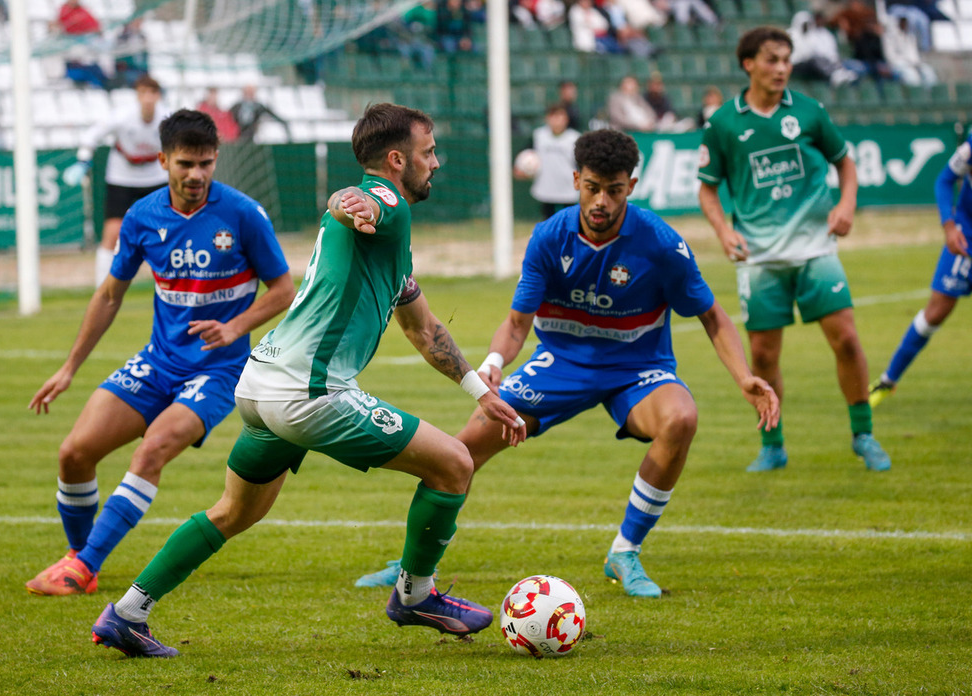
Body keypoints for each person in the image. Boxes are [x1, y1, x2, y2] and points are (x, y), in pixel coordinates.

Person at [89, 103, 527, 657]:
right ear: (397, 159)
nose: (435, 163)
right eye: (429, 151)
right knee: (456, 464)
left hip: (260, 387)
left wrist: (481, 393)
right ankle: (416, 595)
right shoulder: (386, 203)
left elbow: (423, 329)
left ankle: (126, 613)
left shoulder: (389, 242)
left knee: (233, 512)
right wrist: (351, 202)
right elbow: (358, 202)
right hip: (310, 393)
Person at [356, 128, 780, 598]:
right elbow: (517, 323)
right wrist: (494, 362)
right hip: (559, 365)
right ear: (576, 179)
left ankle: (625, 552)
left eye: (614, 190)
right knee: (461, 451)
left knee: (681, 418)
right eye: (592, 187)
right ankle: (410, 562)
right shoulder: (550, 237)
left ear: (631, 188)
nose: (601, 200)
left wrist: (744, 378)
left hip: (638, 369)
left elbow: (713, 316)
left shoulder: (660, 243)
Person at [25, 109, 295, 597]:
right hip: (158, 361)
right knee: (74, 454)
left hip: (216, 371)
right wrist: (69, 368)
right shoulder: (142, 217)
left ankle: (84, 565)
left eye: (206, 164)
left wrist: (233, 327)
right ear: (163, 160)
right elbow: (109, 294)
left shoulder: (243, 215)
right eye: (186, 164)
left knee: (152, 450)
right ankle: (80, 560)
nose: (197, 175)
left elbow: (283, 290)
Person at [697, 26, 891, 473]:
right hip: (760, 258)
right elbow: (708, 191)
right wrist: (724, 231)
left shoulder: (808, 112)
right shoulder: (724, 123)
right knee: (763, 356)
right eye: (771, 60)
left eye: (786, 60)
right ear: (749, 64)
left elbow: (845, 161)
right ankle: (773, 444)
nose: (782, 68)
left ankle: (863, 434)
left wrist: (846, 204)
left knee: (845, 338)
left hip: (815, 249)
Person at [869, 132, 971, 405]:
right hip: (966, 238)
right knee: (935, 311)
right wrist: (949, 226)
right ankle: (887, 381)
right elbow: (945, 179)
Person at [62, 75, 170, 286]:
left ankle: (171, 283)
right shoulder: (122, 116)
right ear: (137, 96)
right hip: (122, 176)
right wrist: (83, 160)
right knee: (112, 232)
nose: (148, 98)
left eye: (152, 93)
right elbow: (92, 135)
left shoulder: (168, 118)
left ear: (158, 96)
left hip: (155, 176)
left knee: (166, 231)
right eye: (143, 93)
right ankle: (102, 286)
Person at [517, 104, 580, 220]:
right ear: (547, 118)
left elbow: (581, 163)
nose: (556, 120)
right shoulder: (538, 135)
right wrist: (520, 169)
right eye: (553, 116)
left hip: (568, 189)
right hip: (545, 188)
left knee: (570, 222)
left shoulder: (574, 138)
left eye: (560, 116)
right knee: (547, 223)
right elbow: (525, 154)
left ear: (566, 119)